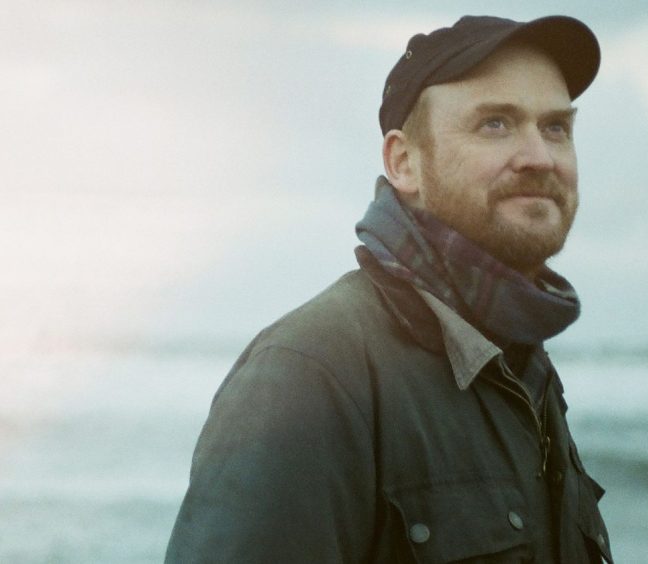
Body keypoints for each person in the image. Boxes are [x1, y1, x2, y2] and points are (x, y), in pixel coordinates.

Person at [166, 14, 611, 563]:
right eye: (495, 124)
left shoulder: (523, 370)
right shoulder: (311, 374)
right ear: (404, 163)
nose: (539, 156)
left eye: (556, 128)